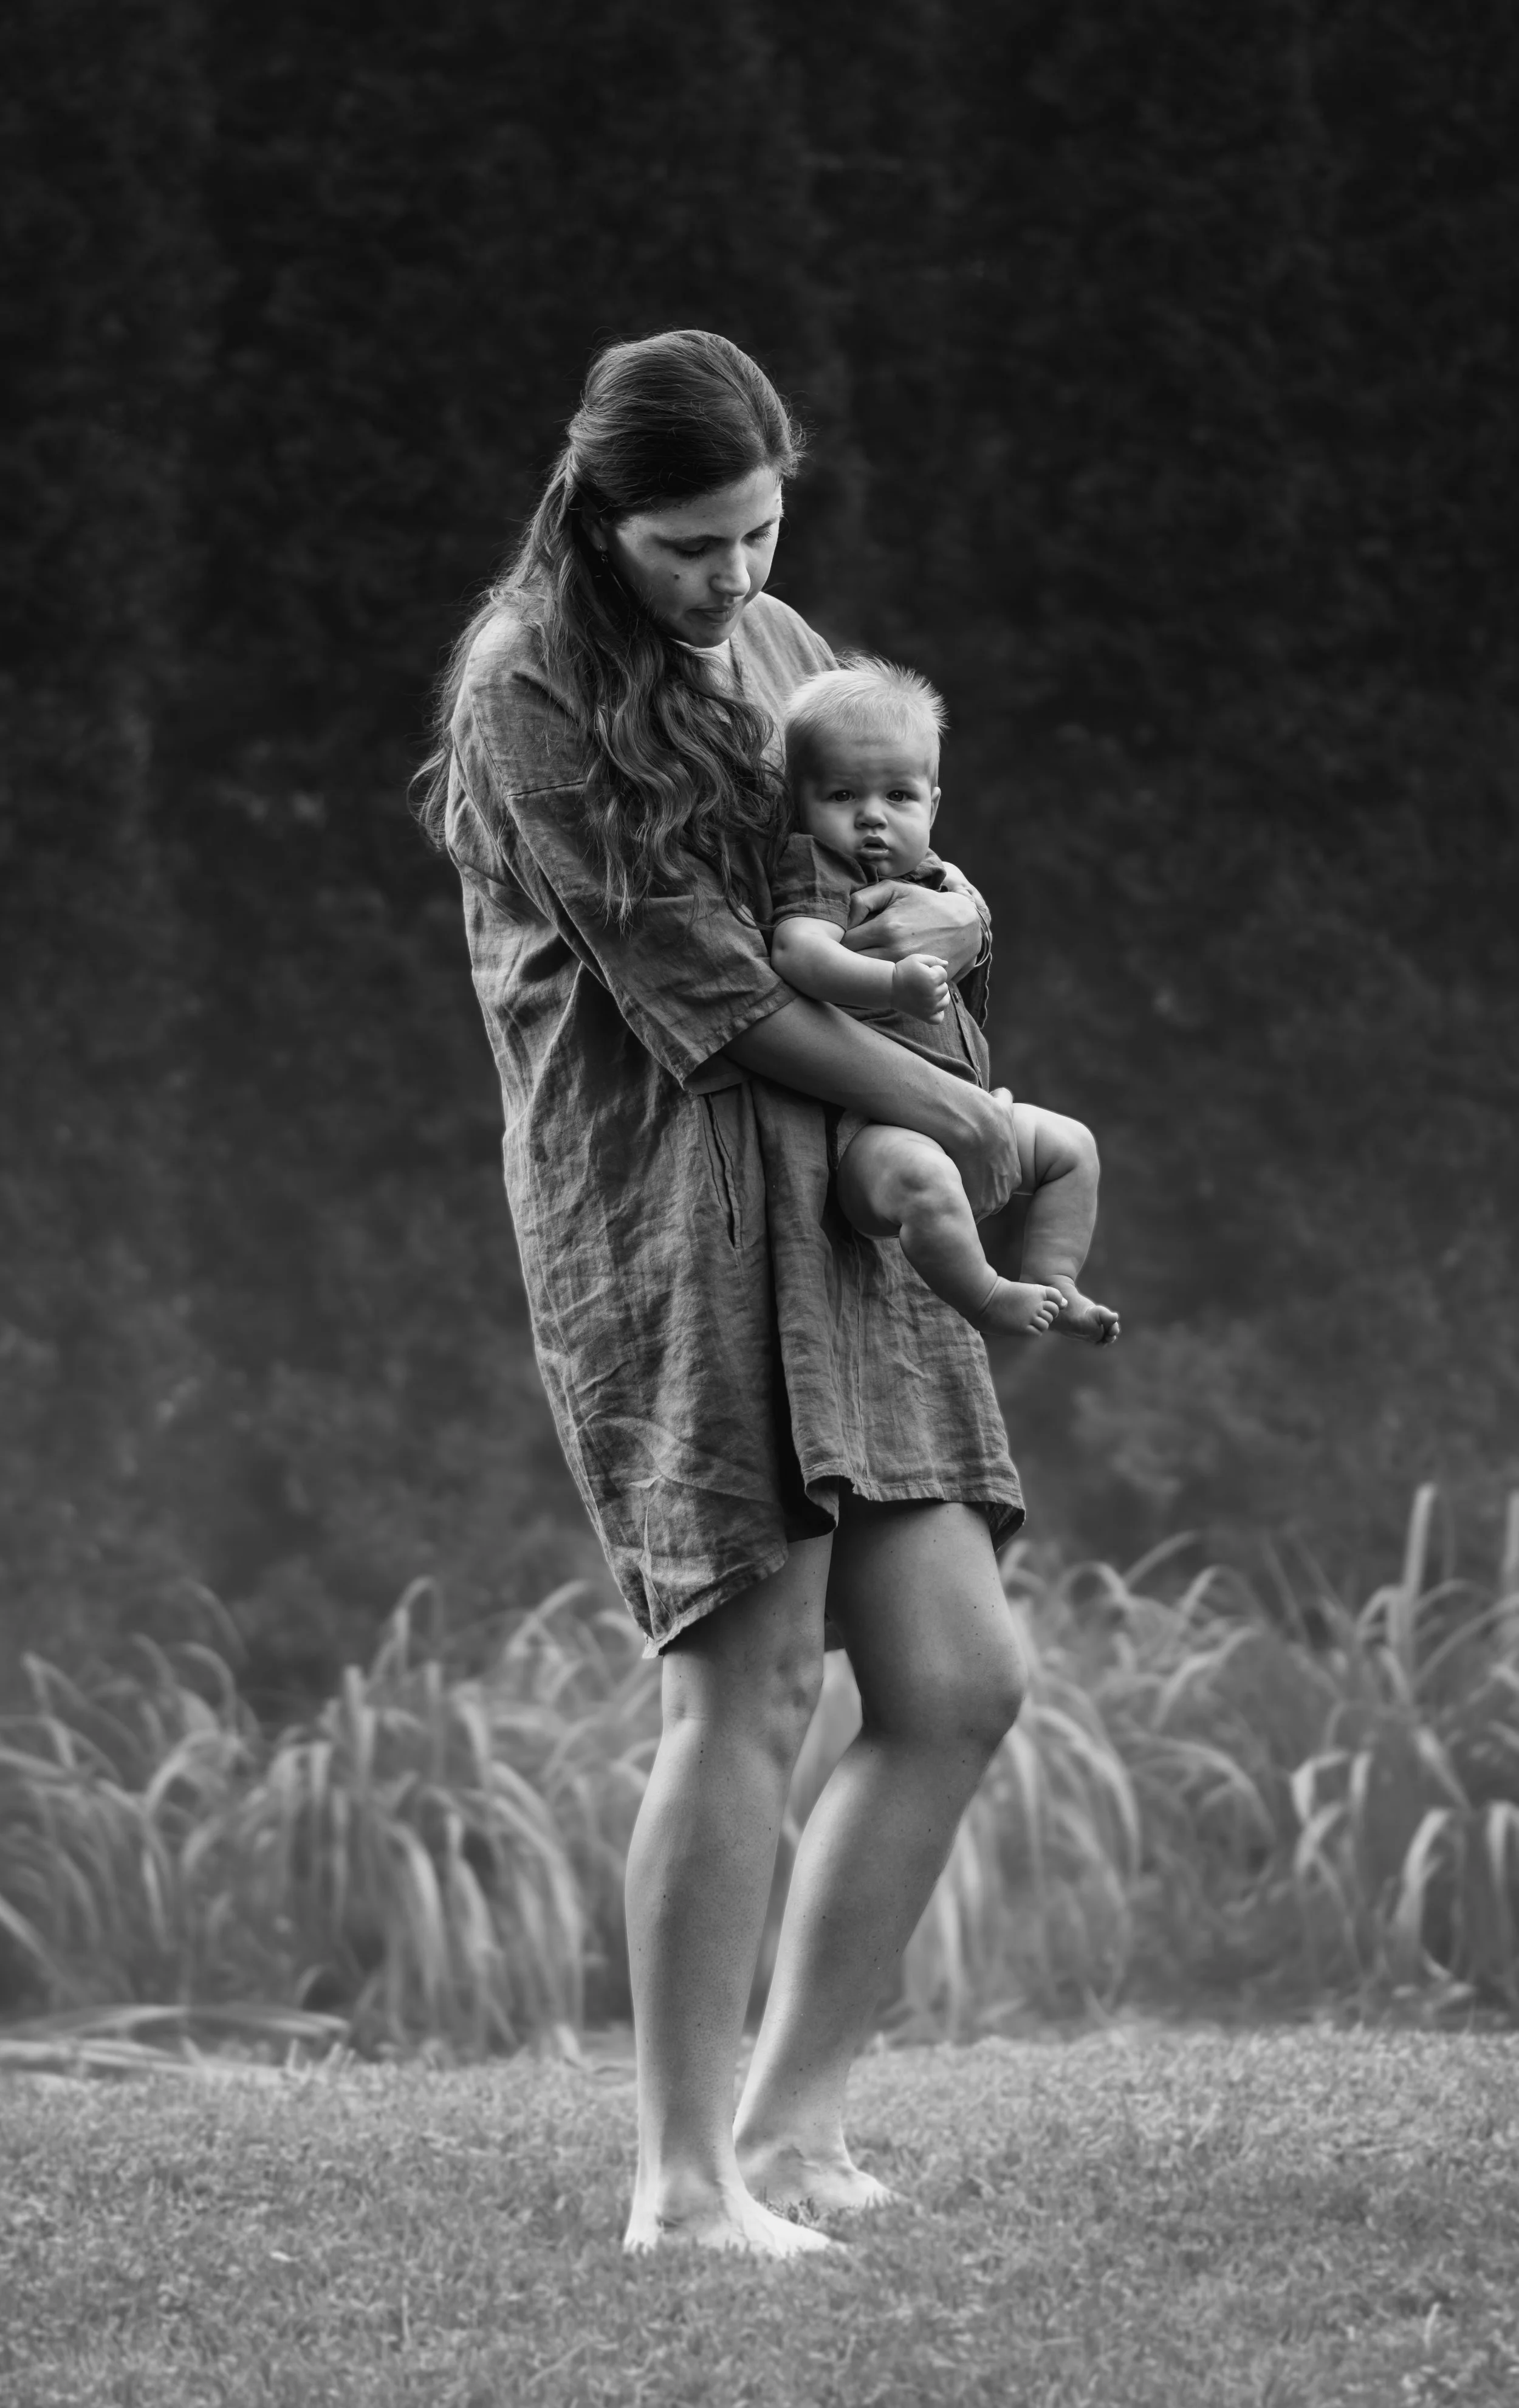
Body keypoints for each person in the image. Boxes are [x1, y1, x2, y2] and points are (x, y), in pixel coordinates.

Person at [416, 329, 1030, 2257]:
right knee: (745, 1684)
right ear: (595, 517)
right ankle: (679, 2188)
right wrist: (957, 1103)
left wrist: (956, 915)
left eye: (757, 534)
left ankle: (790, 2129)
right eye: (688, 546)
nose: (732, 579)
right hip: (670, 1219)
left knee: (952, 1679)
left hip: (842, 1207)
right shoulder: (528, 693)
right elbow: (712, 999)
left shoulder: (780, 654)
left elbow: (868, 876)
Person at [769, 657, 1121, 1346]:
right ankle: (987, 1296)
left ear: (932, 805)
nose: (872, 818)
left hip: (959, 1099)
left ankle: (1058, 1278)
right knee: (926, 1179)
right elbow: (797, 955)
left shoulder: (933, 877)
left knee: (1070, 1148)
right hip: (867, 1131)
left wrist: (967, 916)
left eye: (898, 797)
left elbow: (970, 923)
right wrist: (889, 984)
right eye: (843, 796)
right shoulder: (816, 869)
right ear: (800, 802)